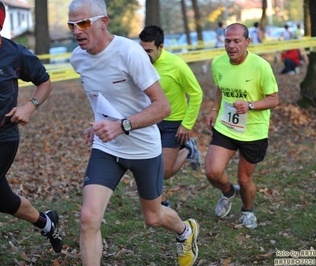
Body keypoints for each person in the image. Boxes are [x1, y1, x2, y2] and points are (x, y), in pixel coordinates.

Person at [67, 0, 199, 265]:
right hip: (108, 148)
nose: (77, 31)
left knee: (153, 217)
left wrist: (121, 125)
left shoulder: (130, 52)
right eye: (72, 25)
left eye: (83, 23)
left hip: (143, 148)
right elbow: (102, 98)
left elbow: (163, 107)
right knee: (88, 218)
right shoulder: (77, 59)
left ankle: (186, 231)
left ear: (103, 22)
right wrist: (98, 123)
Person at [0, 0, 63, 264]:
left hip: (3, 138)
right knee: (4, 202)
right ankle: (46, 222)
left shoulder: (15, 54)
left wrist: (30, 105)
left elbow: (45, 82)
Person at [206, 23, 279, 229]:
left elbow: (274, 99)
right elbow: (221, 88)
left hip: (253, 131)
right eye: (227, 41)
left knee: (244, 178)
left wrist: (250, 105)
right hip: (226, 126)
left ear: (247, 42)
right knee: (212, 172)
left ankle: (247, 211)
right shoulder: (218, 63)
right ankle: (229, 192)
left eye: (237, 41)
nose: (231, 46)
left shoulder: (261, 66)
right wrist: (214, 110)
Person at [138, 25, 203, 208]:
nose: (144, 55)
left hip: (174, 123)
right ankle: (161, 202)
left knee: (164, 171)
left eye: (149, 50)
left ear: (161, 47)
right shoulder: (139, 64)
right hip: (149, 121)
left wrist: (187, 124)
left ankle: (188, 150)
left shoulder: (176, 65)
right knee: (149, 165)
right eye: (141, 50)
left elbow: (196, 93)